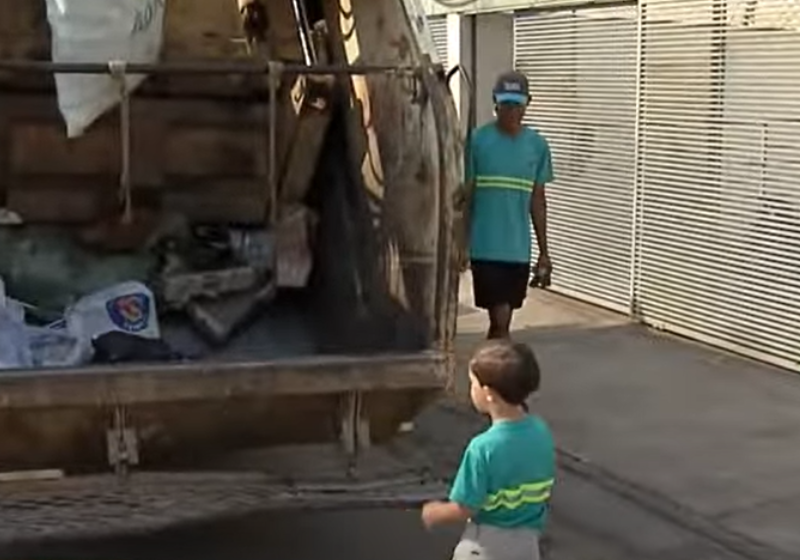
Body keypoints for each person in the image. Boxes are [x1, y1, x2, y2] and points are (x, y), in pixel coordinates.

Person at [421, 339, 555, 560]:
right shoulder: (541, 432)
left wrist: (434, 512)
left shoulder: (482, 448)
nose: (470, 389)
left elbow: (465, 507)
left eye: (472, 383)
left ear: (489, 393)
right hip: (527, 544)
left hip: (485, 546)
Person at [462, 70, 554, 339]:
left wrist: (544, 252)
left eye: (517, 104)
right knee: (500, 320)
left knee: (503, 321)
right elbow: (466, 196)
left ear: (528, 103)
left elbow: (538, 202)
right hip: (485, 248)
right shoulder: (477, 142)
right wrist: (460, 244)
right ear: (495, 102)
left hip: (518, 251)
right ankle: (497, 372)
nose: (511, 111)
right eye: (505, 104)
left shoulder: (537, 147)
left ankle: (492, 372)